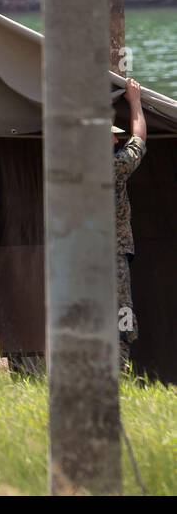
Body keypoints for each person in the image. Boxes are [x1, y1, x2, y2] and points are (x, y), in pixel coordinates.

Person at [114, 77, 147, 371]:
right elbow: (138, 142)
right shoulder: (112, 166)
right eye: (110, 136)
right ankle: (119, 367)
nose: (115, 140)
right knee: (122, 313)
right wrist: (134, 102)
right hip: (112, 254)